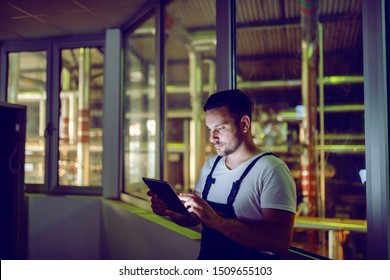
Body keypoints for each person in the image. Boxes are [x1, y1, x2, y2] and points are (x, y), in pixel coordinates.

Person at [147, 89, 296, 260]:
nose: (212, 137)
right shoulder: (212, 164)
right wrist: (171, 210)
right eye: (210, 129)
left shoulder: (271, 170)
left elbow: (280, 242)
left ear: (244, 124)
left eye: (220, 128)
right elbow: (194, 218)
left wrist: (217, 221)